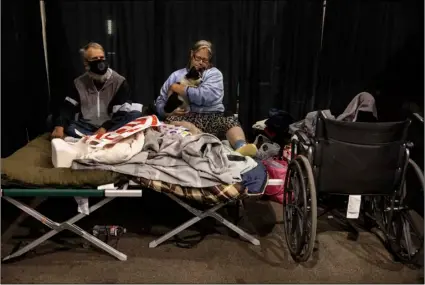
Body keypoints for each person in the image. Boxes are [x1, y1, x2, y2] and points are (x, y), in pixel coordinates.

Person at [155, 40, 257, 157]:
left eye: (205, 60)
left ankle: (241, 147)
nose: (200, 63)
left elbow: (206, 96)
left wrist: (179, 88)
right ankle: (202, 142)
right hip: (185, 117)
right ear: (191, 54)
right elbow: (161, 100)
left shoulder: (214, 74)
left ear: (209, 62)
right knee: (172, 121)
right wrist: (166, 111)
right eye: (197, 58)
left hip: (212, 115)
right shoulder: (176, 75)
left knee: (230, 120)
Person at [51, 42, 142, 139]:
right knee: (54, 121)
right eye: (95, 59)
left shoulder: (119, 81)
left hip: (111, 125)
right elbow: (68, 107)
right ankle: (100, 138)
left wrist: (104, 128)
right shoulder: (78, 83)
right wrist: (59, 125)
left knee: (135, 114)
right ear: (86, 63)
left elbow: (121, 112)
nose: (100, 62)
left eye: (101, 58)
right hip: (86, 125)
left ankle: (93, 137)